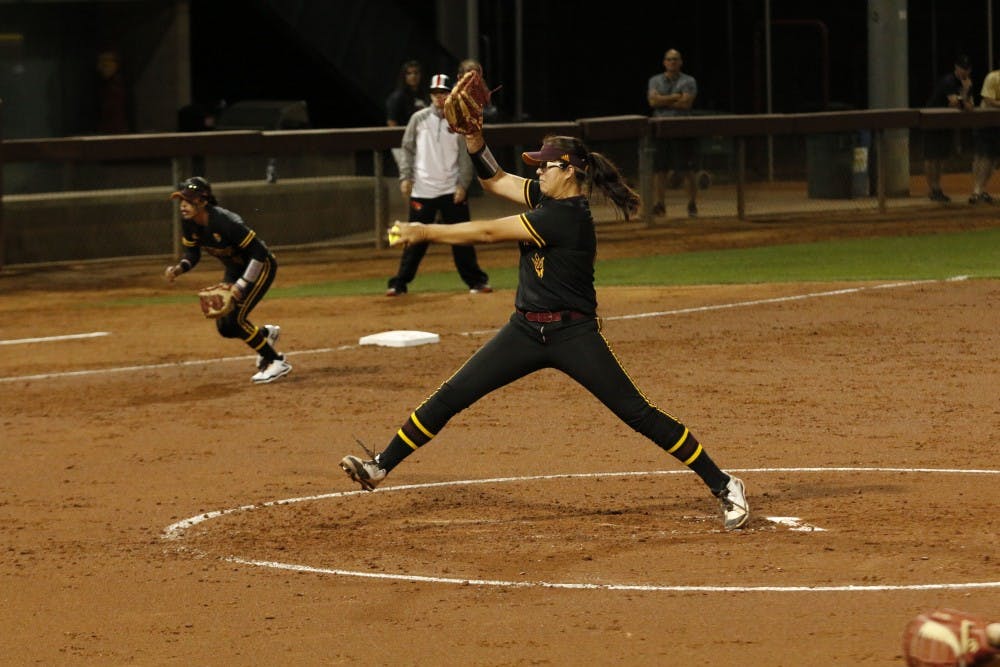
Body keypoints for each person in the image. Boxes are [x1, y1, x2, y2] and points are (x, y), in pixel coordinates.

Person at [341, 126, 750, 531]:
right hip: (523, 332)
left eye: (545, 166)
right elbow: (496, 180)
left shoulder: (565, 217)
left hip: (572, 336)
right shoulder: (547, 196)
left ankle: (724, 484)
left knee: (637, 413)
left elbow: (486, 231)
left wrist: (425, 230)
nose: (538, 173)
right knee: (452, 394)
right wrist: (475, 144)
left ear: (569, 170)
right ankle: (380, 466)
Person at [163, 177, 291, 384]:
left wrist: (242, 284)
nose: (183, 206)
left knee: (235, 320)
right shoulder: (189, 223)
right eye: (181, 200)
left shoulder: (225, 222)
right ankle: (264, 335)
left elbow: (259, 252)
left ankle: (276, 361)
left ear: (203, 201)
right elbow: (192, 253)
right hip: (234, 269)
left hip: (260, 267)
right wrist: (179, 269)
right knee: (225, 327)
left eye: (188, 200)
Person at [385, 73, 492, 296]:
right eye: (435, 93)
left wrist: (463, 184)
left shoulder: (459, 119)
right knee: (415, 239)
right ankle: (399, 283)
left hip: (451, 188)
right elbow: (407, 149)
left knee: (462, 237)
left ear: (450, 93)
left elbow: (466, 155)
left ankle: (476, 281)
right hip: (423, 189)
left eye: (443, 92)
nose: (439, 97)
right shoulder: (419, 118)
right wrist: (405, 177)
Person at [647, 48, 701, 218]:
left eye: (675, 59)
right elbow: (652, 102)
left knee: (687, 170)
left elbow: (686, 104)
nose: (672, 62)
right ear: (664, 62)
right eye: (669, 59)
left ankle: (692, 204)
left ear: (681, 62)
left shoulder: (689, 80)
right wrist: (676, 96)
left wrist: (663, 100)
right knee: (659, 170)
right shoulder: (655, 80)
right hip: (661, 131)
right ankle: (659, 204)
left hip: (682, 129)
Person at [923, 54, 974, 203]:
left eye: (968, 69)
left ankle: (937, 188)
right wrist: (964, 95)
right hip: (932, 120)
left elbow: (970, 107)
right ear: (956, 68)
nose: (965, 72)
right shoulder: (949, 81)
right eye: (962, 68)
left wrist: (964, 96)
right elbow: (954, 104)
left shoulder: (967, 83)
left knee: (940, 158)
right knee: (931, 158)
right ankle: (933, 189)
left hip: (946, 123)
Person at [969, 62, 1000, 203]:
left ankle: (981, 190)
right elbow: (988, 100)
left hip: (997, 124)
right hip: (986, 122)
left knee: (992, 159)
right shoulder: (993, 77)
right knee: (983, 156)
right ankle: (976, 191)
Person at [95, 49, 130, 134]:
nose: (102, 66)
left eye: (106, 62)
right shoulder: (102, 87)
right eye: (101, 62)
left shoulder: (118, 87)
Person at [385, 60, 428, 128]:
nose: (413, 76)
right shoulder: (397, 97)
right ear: (404, 76)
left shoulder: (425, 95)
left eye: (416, 73)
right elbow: (391, 122)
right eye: (409, 73)